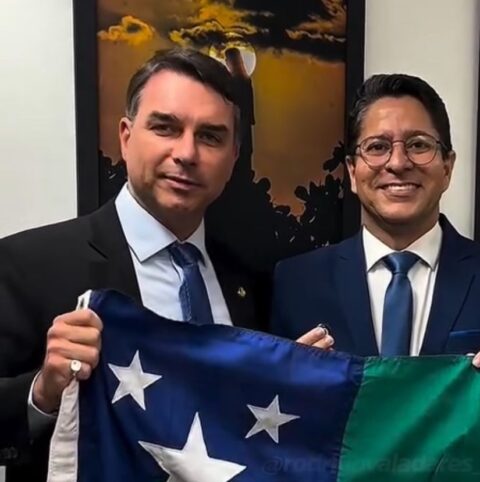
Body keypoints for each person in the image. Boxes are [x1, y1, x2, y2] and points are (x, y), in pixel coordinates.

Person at [0, 48, 329, 481]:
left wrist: (287, 382)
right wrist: (42, 391)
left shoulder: (251, 280)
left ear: (233, 157)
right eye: (165, 127)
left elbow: (243, 429)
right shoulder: (29, 263)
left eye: (210, 136)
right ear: (126, 136)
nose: (187, 153)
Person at [270, 73, 480, 365]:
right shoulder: (297, 284)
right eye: (377, 147)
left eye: (418, 145)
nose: (398, 163)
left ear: (447, 167)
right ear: (352, 172)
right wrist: (284, 376)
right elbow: (262, 388)